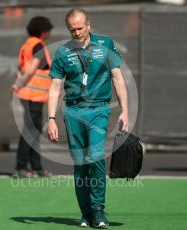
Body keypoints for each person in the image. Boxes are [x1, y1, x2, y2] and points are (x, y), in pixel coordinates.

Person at [47, 8, 129, 228]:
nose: (77, 33)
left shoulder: (106, 45)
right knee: (81, 165)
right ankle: (85, 214)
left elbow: (118, 79)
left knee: (95, 157)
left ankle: (98, 209)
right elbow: (55, 86)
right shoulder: (63, 52)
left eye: (80, 28)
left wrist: (125, 110)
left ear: (89, 25)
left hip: (98, 110)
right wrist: (51, 118)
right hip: (73, 112)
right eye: (72, 29)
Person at [11, 16, 53, 178]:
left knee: (33, 131)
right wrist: (18, 85)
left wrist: (18, 83)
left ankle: (36, 167)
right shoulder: (37, 45)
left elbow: (20, 68)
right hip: (33, 95)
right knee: (30, 131)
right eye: (48, 30)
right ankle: (21, 167)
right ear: (43, 31)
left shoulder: (27, 45)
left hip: (32, 95)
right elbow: (30, 69)